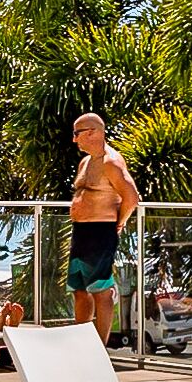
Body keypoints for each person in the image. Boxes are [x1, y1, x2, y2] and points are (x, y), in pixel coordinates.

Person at [67, 112, 138, 343]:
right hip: (81, 231)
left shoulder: (111, 163)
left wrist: (120, 221)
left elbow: (132, 197)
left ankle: (100, 346)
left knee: (100, 290)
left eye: (77, 134)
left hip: (100, 232)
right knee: (79, 288)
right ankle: (82, 342)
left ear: (92, 132)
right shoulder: (86, 162)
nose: (74, 140)